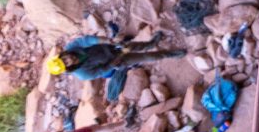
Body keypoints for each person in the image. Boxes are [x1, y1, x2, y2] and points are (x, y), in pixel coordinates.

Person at [45, 33, 185, 96]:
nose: (68, 59)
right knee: (145, 57)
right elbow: (101, 71)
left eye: (64, 58)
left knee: (137, 46)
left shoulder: (72, 47)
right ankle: (171, 54)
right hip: (114, 61)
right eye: (66, 63)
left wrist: (110, 41)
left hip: (110, 47)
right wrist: (116, 61)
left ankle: (152, 43)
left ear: (62, 55)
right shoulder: (83, 74)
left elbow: (88, 40)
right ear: (68, 68)